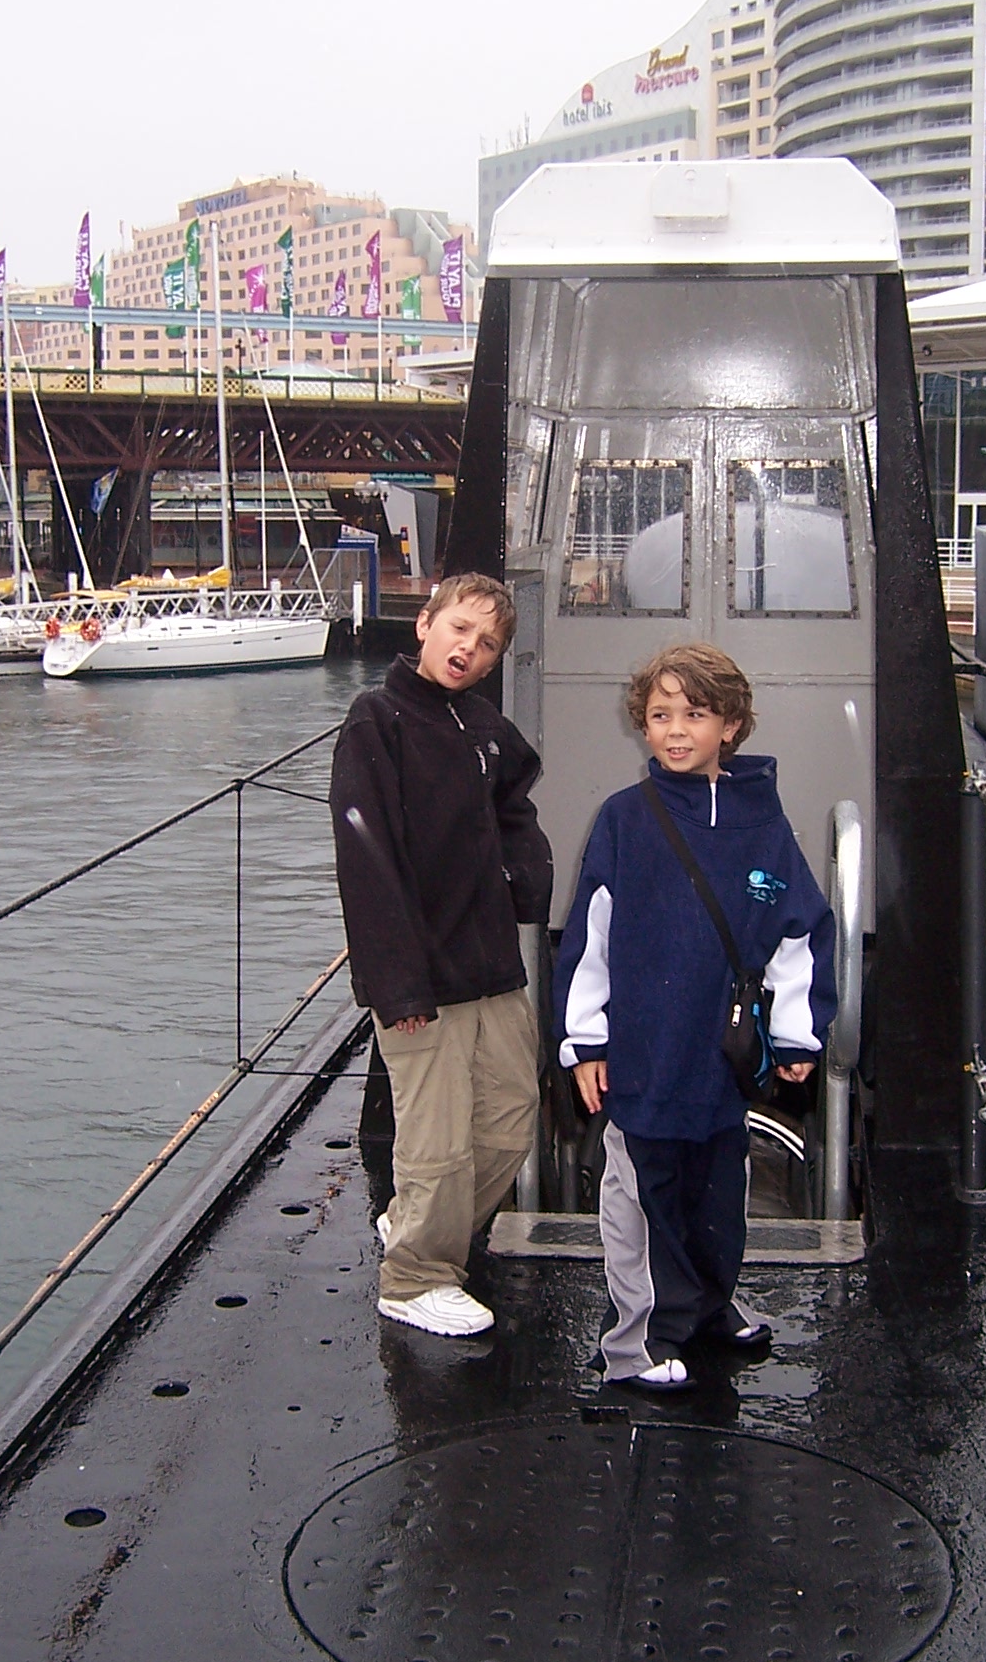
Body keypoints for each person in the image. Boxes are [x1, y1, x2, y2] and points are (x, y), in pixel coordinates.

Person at [553, 643, 835, 1388]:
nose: (676, 730)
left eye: (696, 714)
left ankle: (708, 1303)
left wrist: (798, 1032)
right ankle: (639, 1341)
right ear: (642, 725)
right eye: (660, 715)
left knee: (718, 1192)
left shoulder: (765, 826)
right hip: (646, 1053)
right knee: (645, 1199)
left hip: (720, 1056)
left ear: (732, 725)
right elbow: (591, 939)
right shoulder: (625, 820)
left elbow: (797, 929)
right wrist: (585, 1041)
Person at [330, 572, 552, 1337]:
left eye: (486, 643)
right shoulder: (377, 720)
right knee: (437, 1138)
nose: (469, 648)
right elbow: (367, 858)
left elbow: (514, 799)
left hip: (488, 963)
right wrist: (397, 986)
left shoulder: (482, 725)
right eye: (460, 628)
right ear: (425, 623)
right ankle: (416, 1275)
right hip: (420, 974)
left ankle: (420, 1225)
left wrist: (525, 876)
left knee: (510, 1120)